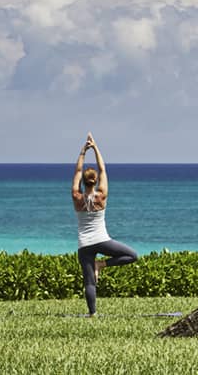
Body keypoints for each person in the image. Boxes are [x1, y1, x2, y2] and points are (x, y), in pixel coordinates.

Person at [72, 132, 138, 316]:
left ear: (84, 183)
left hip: (84, 245)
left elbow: (77, 171)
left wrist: (83, 152)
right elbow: (103, 170)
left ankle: (92, 313)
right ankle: (102, 264)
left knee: (89, 282)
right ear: (95, 181)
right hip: (102, 240)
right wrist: (95, 147)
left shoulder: (76, 197)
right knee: (132, 255)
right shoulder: (101, 196)